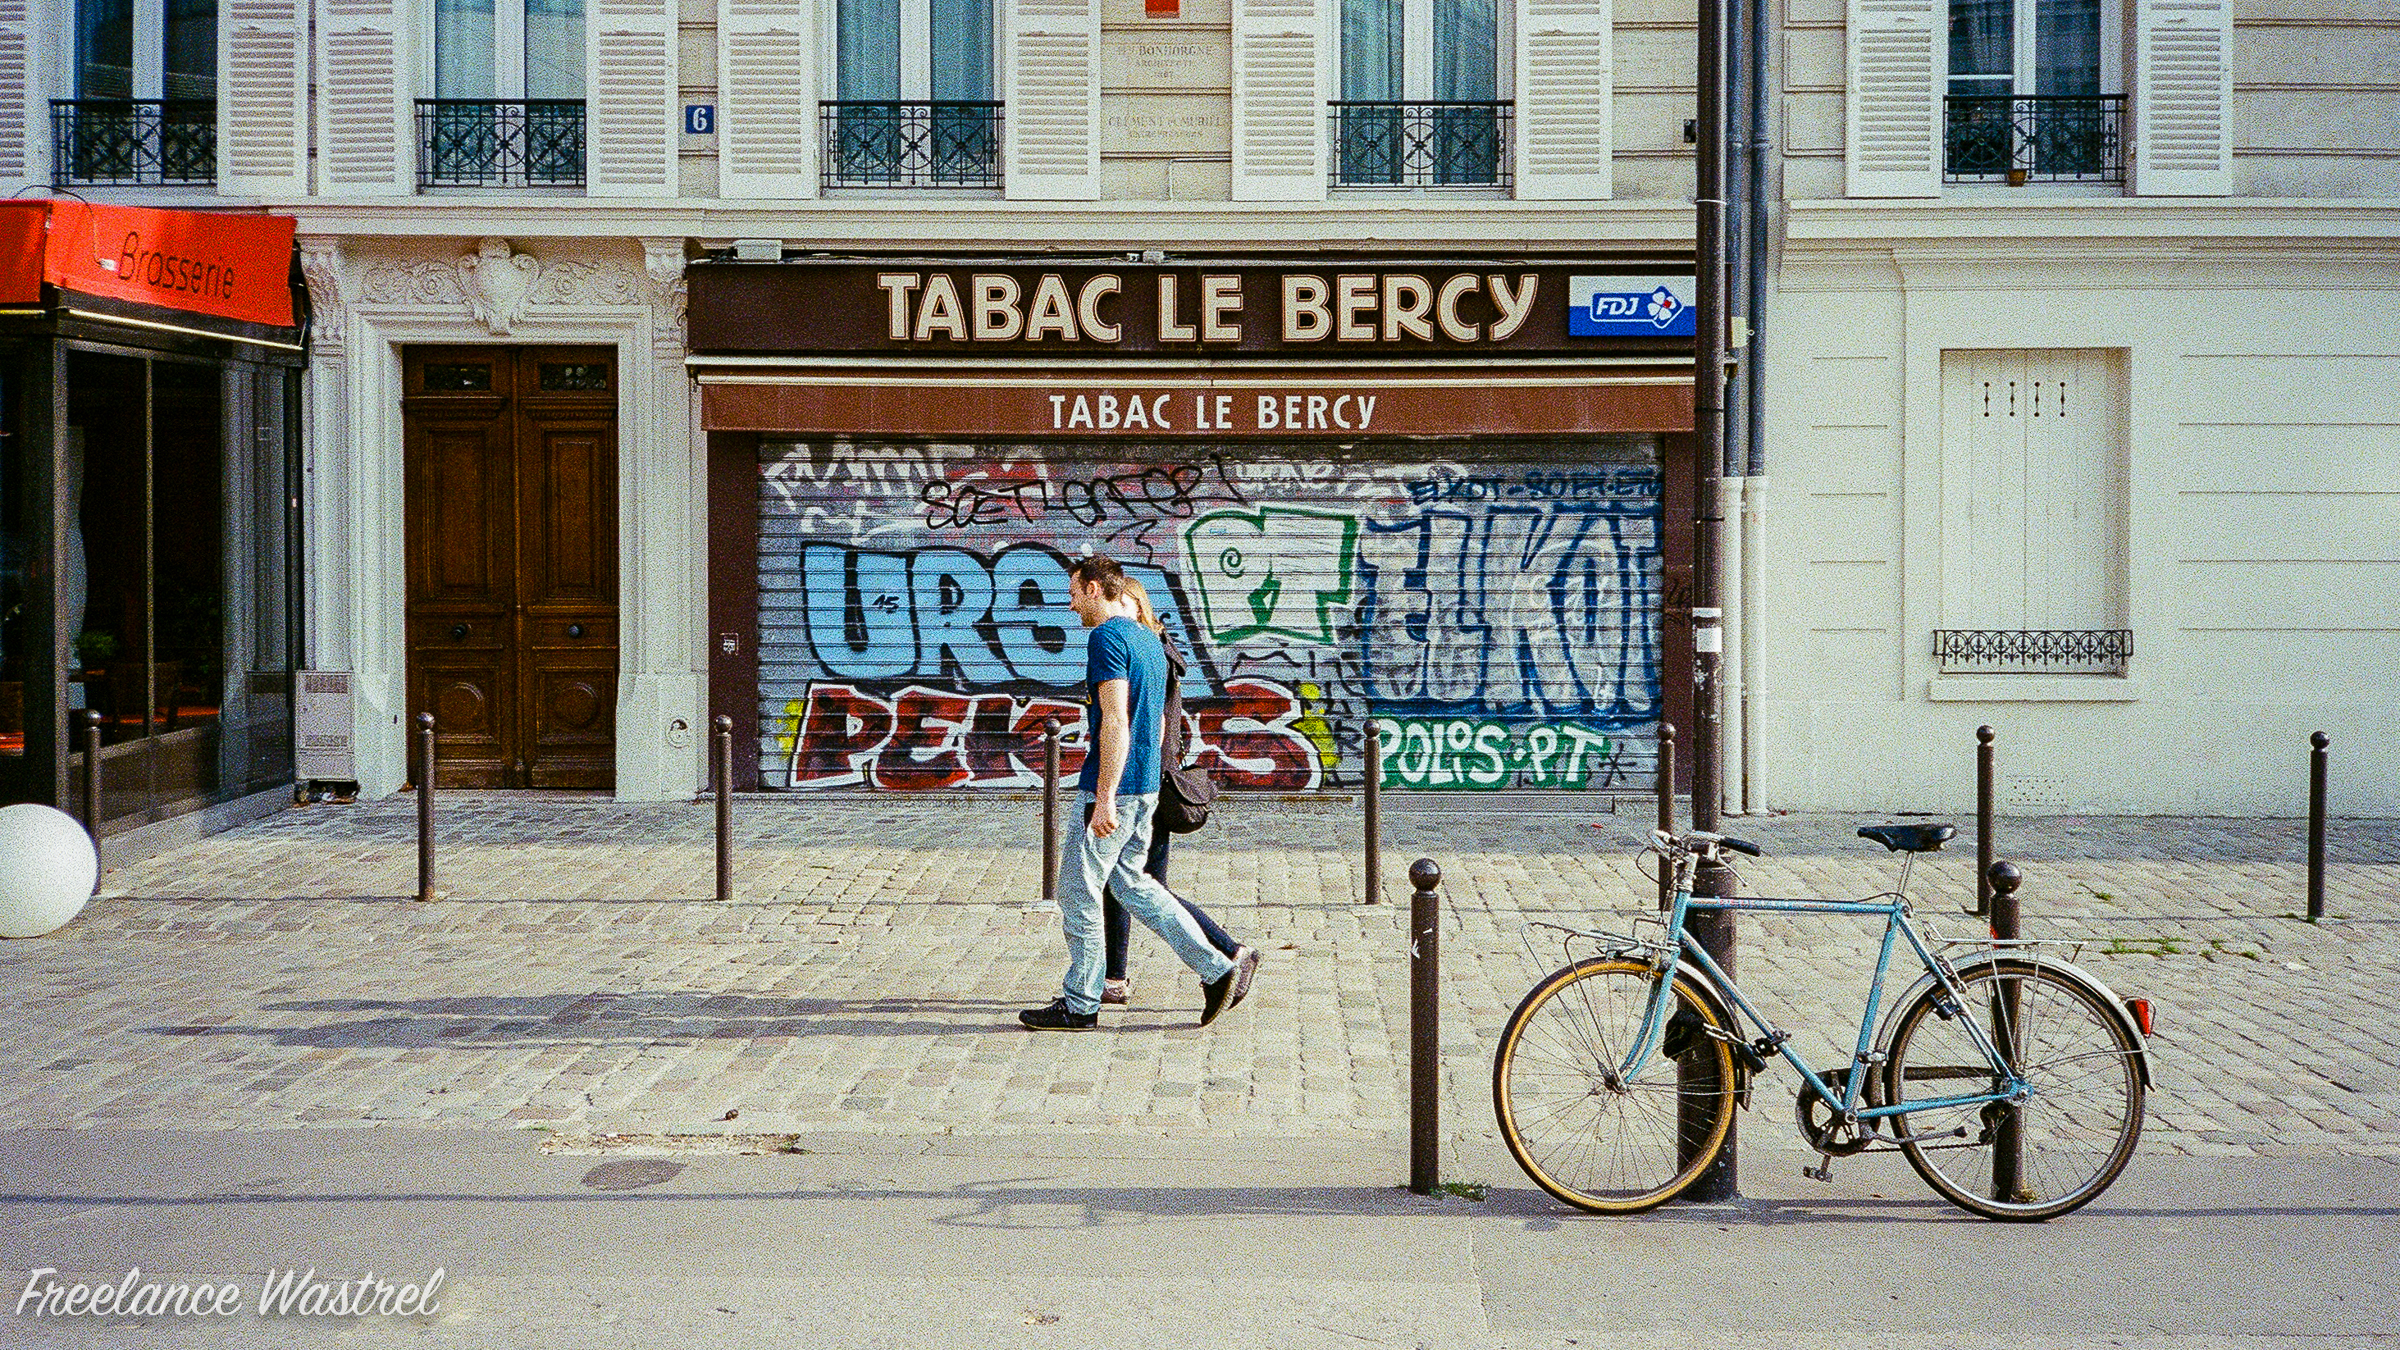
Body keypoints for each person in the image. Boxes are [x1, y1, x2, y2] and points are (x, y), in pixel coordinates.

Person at [1019, 554, 1259, 1031]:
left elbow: (1114, 721)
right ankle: (1218, 968)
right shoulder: (1149, 639)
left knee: (1077, 892)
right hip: (1146, 786)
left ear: (1093, 588)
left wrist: (1104, 795)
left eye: (1071, 593)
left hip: (1114, 788)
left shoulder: (1106, 637)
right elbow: (1163, 720)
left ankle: (1080, 1002)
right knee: (1134, 886)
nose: (1069, 606)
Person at [1100, 578, 1247, 1005]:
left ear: (1136, 606)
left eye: (1122, 604)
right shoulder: (1153, 649)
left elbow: (1153, 727)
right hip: (1150, 779)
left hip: (1143, 783)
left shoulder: (1148, 653)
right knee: (1134, 885)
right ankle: (1115, 977)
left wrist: (1121, 788)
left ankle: (1229, 951)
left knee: (1139, 887)